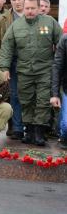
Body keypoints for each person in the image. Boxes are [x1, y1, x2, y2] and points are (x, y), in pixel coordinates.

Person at [0, 0, 62, 146]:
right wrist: (5, 68)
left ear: (39, 8)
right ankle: (30, 131)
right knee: (26, 101)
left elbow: (61, 44)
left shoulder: (50, 22)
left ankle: (40, 133)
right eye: (27, 8)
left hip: (45, 71)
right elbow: (7, 46)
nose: (30, 11)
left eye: (33, 8)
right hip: (24, 70)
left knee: (42, 101)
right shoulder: (16, 25)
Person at [0, 0, 26, 140]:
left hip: (29, 62)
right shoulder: (2, 19)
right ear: (10, 1)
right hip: (10, 63)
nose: (17, 2)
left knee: (29, 96)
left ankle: (31, 127)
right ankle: (17, 127)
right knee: (14, 96)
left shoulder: (33, 15)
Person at [51, 20, 67, 149]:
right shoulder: (65, 40)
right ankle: (63, 136)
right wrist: (55, 94)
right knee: (66, 126)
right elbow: (57, 66)